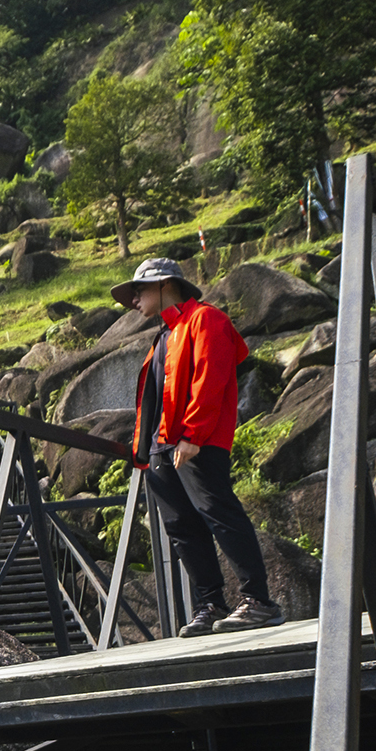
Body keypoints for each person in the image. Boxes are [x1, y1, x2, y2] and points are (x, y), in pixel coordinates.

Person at [116, 257, 282, 634]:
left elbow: (210, 378)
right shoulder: (164, 335)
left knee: (218, 512)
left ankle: (259, 601)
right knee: (183, 529)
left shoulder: (205, 319)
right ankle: (210, 605)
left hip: (194, 442)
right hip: (160, 450)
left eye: (139, 290)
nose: (133, 300)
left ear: (165, 285)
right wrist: (143, 452)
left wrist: (193, 434)